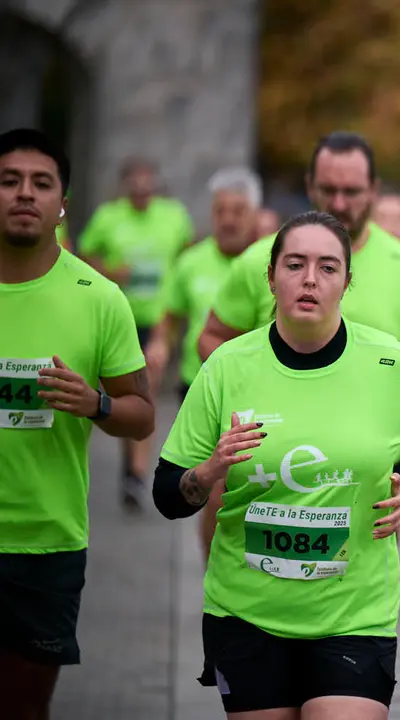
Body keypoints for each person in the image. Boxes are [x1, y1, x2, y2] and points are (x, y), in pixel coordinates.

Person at [151, 211, 400, 719]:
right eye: (295, 264)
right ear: (270, 277)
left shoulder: (392, 363)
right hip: (247, 613)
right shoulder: (227, 366)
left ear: (346, 282)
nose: (310, 278)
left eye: (328, 267)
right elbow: (166, 494)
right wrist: (208, 472)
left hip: (354, 616)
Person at [195, 132, 400, 558]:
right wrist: (242, 390)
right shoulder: (265, 259)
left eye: (351, 191)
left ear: (373, 191)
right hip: (266, 440)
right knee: (224, 511)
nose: (338, 202)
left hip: (360, 450)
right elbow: (211, 338)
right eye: (328, 190)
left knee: (349, 557)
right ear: (309, 186)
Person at [0, 128, 156, 719]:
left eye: (41, 183)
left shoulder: (99, 298)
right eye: (9, 181)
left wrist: (97, 404)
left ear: (62, 202)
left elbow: (142, 417)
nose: (24, 194)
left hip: (46, 542)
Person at [144, 167, 261, 561]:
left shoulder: (271, 265)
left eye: (238, 210)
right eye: (220, 210)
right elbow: (171, 317)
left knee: (244, 485)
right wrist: (159, 345)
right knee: (213, 487)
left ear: (255, 215)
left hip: (257, 395)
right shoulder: (191, 262)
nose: (228, 219)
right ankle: (215, 565)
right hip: (199, 388)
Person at [77, 155, 193, 511]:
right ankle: (132, 467)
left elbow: (187, 257)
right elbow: (83, 255)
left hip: (158, 322)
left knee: (147, 391)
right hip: (118, 321)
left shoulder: (173, 216)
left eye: (148, 183)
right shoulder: (108, 218)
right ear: (125, 186)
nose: (142, 190)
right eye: (136, 184)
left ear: (155, 185)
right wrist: (109, 271)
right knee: (127, 396)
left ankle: (137, 474)